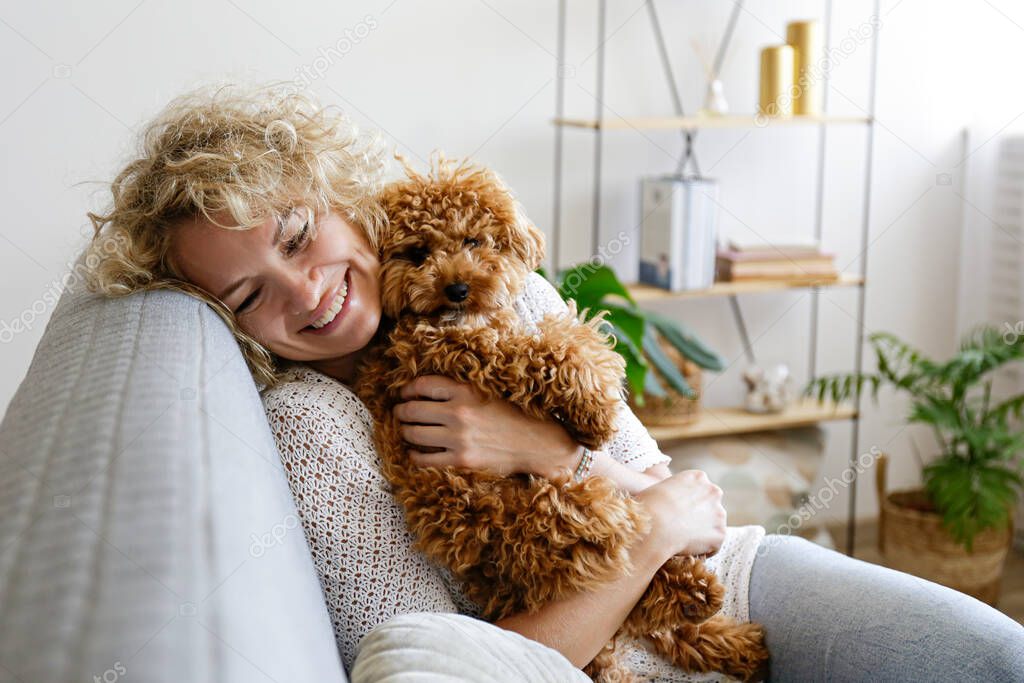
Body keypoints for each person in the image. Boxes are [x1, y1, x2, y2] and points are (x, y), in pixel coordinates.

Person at [84, 83, 1024, 682]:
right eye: (252, 292)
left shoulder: (504, 284)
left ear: (337, 198)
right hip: (593, 649)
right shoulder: (315, 430)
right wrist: (646, 527)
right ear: (230, 324)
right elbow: (460, 668)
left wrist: (539, 447)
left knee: (988, 655)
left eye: (298, 238)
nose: (307, 289)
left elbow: (682, 501)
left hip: (719, 578)